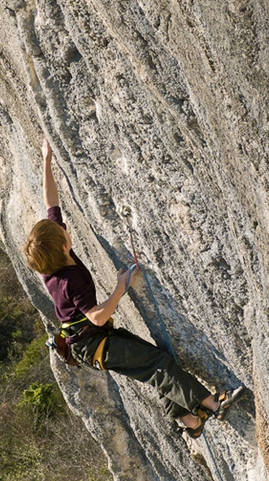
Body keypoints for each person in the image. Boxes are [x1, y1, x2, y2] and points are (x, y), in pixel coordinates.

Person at [24, 140, 245, 439]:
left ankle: (188, 419)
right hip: (94, 343)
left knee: (154, 362)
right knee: (157, 364)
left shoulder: (53, 258)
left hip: (92, 341)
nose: (64, 226)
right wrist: (120, 287)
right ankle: (212, 404)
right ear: (64, 245)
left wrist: (47, 160)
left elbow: (51, 203)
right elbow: (97, 317)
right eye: (63, 230)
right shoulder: (68, 280)